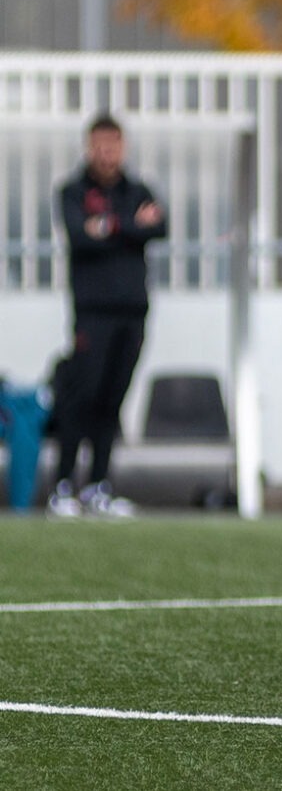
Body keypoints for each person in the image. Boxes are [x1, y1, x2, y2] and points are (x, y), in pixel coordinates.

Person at [48, 114, 167, 518]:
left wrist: (110, 227)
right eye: (99, 144)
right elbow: (80, 235)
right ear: (88, 147)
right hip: (92, 314)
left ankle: (99, 485)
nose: (106, 152)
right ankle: (63, 485)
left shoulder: (138, 188)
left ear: (122, 146)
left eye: (113, 144)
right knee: (82, 395)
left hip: (133, 313)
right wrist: (129, 226)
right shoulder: (72, 191)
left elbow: (159, 227)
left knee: (113, 399)